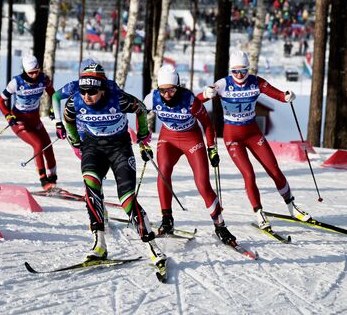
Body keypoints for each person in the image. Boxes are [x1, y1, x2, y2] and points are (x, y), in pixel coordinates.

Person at [62, 62, 166, 267]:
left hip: (119, 148)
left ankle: (152, 246)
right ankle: (99, 244)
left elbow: (141, 109)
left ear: (101, 89)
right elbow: (68, 118)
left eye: (91, 91)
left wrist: (143, 135)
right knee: (90, 186)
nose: (86, 96)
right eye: (83, 91)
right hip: (93, 147)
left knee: (127, 198)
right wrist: (75, 140)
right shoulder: (75, 101)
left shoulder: (117, 98)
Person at [199, 50, 311, 230]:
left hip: (253, 133)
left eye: (243, 71)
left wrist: (287, 96)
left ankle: (292, 208)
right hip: (232, 137)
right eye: (235, 71)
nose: (239, 75)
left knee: (274, 170)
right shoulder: (222, 84)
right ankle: (259, 212)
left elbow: (278, 95)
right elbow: (196, 101)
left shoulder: (256, 82)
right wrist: (206, 93)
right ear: (230, 71)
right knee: (249, 174)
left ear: (248, 69)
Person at [143, 65, 236, 245]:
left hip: (191, 139)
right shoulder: (152, 98)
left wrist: (212, 149)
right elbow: (140, 114)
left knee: (202, 183)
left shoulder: (191, 101)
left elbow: (208, 125)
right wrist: (143, 142)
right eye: (163, 90)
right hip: (168, 139)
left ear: (178, 86)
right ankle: (167, 220)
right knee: (163, 173)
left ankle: (220, 226)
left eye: (171, 89)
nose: (167, 94)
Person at [0, 55, 57, 190]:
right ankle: (43, 180)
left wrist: (53, 109)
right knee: (38, 144)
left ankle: (53, 178)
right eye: (31, 72)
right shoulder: (16, 82)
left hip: (34, 118)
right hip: (19, 120)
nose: (35, 75)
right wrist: (8, 116)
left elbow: (54, 94)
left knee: (48, 146)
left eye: (37, 71)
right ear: (25, 71)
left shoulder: (44, 79)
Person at [51, 58, 121, 144]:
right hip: (81, 130)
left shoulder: (110, 85)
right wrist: (58, 122)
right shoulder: (74, 86)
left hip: (104, 127)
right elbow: (55, 97)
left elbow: (123, 102)